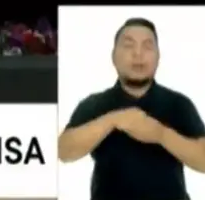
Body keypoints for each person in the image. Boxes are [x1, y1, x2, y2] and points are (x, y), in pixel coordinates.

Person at [58, 17, 205, 199]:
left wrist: (160, 134)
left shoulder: (178, 104)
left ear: (158, 57)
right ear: (113, 57)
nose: (138, 53)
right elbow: (64, 151)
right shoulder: (95, 104)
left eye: (147, 46)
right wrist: (113, 120)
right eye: (128, 45)